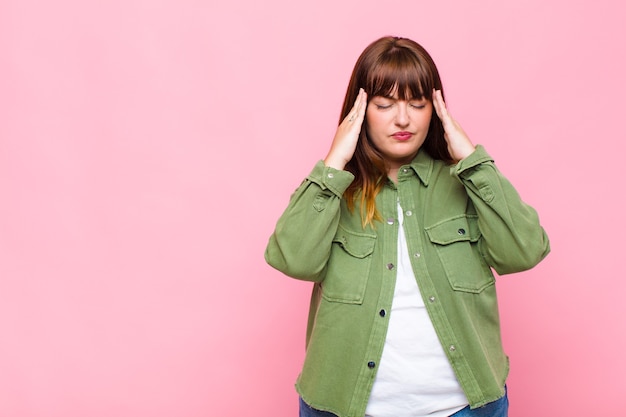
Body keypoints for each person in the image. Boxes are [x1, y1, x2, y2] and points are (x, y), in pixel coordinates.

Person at [265, 36, 550, 417]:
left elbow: (526, 250)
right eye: (385, 105)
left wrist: (474, 162)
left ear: (436, 108)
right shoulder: (334, 191)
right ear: (360, 109)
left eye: (418, 104)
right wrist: (334, 162)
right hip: (342, 406)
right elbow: (292, 259)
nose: (404, 119)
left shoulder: (465, 183)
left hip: (463, 408)